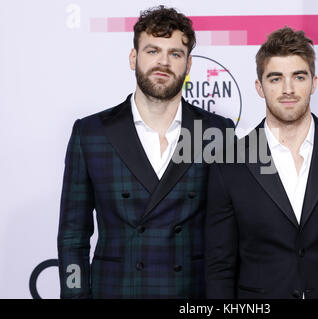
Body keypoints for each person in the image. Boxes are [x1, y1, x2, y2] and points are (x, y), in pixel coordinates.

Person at [57, 5, 234, 298]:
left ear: (188, 65)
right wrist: (74, 296)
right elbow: (72, 237)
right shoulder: (91, 133)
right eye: (152, 51)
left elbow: (228, 234)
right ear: (133, 58)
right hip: (117, 291)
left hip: (191, 295)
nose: (163, 62)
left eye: (175, 54)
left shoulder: (217, 131)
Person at [205, 27, 318, 299]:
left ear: (313, 83)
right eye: (276, 78)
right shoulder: (228, 163)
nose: (288, 89)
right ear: (259, 86)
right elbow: (219, 267)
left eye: (298, 77)